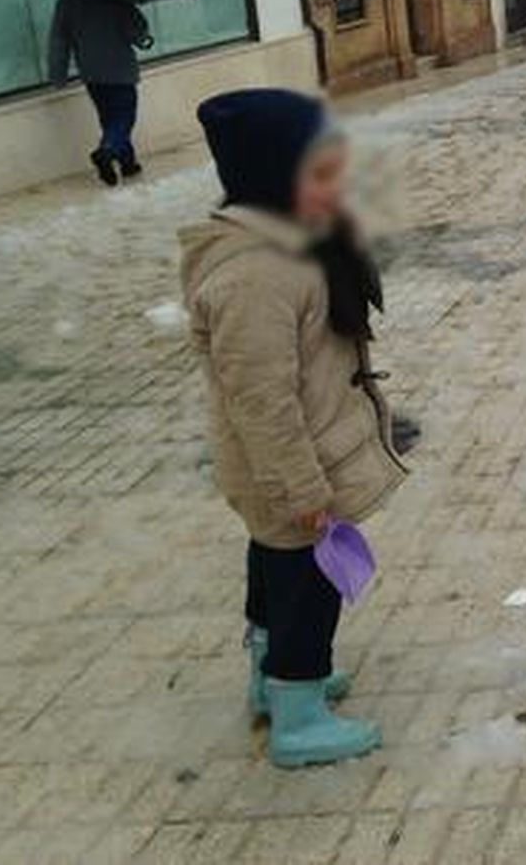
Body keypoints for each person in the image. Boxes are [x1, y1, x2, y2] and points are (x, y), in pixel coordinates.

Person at [180, 88, 407, 768]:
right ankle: (298, 713)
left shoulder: (289, 239)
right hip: (290, 469)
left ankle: (269, 678)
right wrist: (302, 488)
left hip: (293, 464)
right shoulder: (256, 273)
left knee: (273, 569)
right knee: (308, 589)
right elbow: (262, 401)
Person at [48, 0, 152, 186]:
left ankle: (127, 163)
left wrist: (57, 74)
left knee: (109, 119)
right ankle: (106, 151)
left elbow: (59, 38)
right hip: (119, 70)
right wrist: (142, 31)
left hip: (91, 72)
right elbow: (136, 32)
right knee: (123, 118)